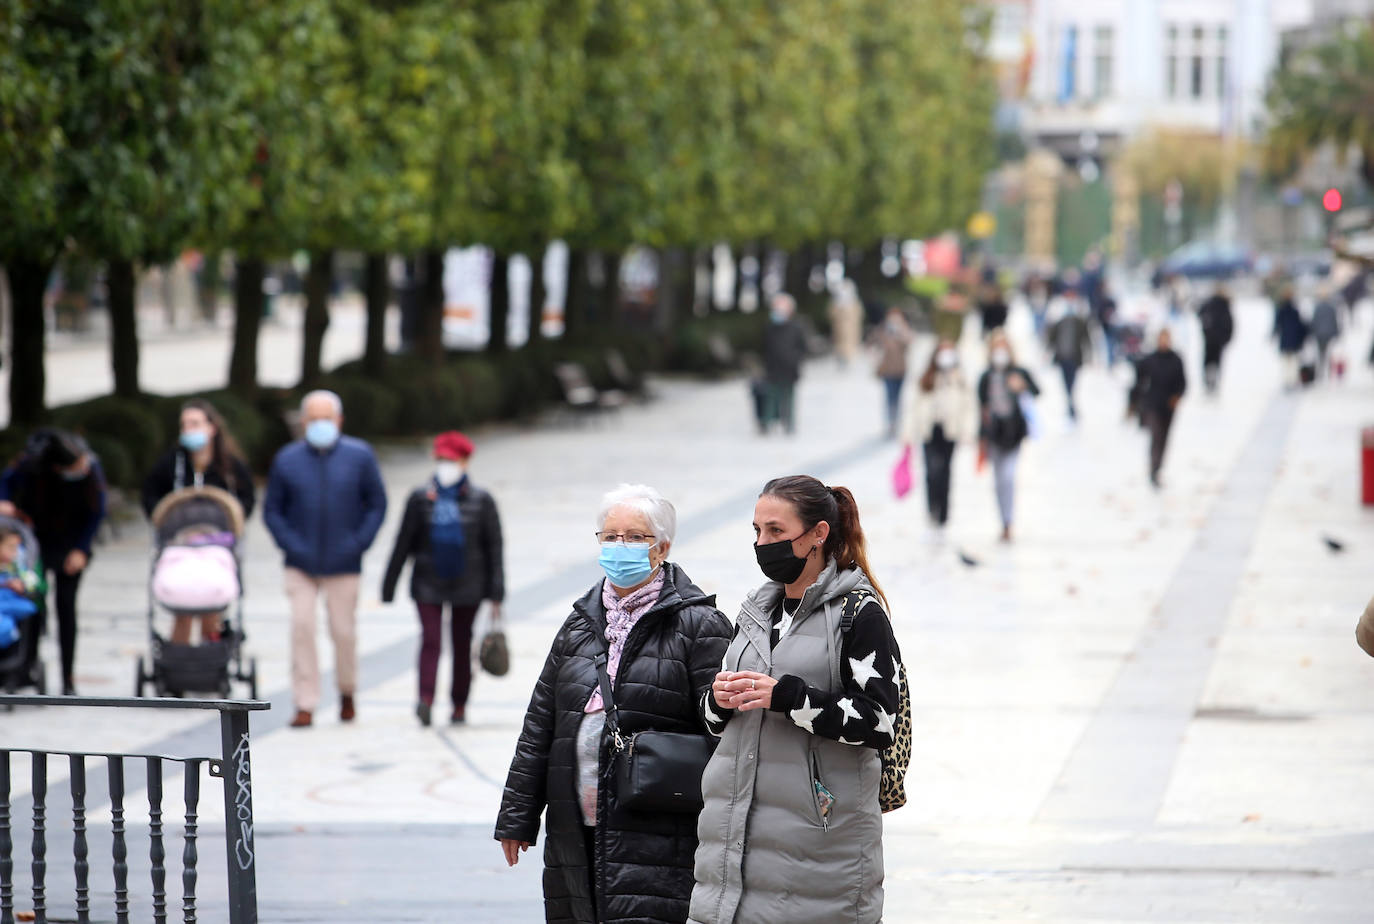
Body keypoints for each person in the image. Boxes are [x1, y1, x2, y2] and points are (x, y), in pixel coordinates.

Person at [495, 484, 731, 924]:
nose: (620, 546)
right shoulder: (580, 622)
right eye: (610, 536)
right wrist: (517, 817)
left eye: (635, 537)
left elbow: (724, 731)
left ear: (661, 548)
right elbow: (541, 722)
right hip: (574, 825)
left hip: (658, 830)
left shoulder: (700, 625)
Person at [688, 476, 901, 924]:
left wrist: (787, 696)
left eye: (776, 532)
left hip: (816, 852)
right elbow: (713, 722)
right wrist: (719, 700)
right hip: (733, 845)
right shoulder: (754, 613)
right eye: (757, 531)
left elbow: (880, 722)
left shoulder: (858, 614)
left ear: (818, 534)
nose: (763, 543)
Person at [263, 390, 387, 728]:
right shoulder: (287, 459)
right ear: (303, 423)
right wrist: (290, 545)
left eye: (326, 418)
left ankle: (347, 691)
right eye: (313, 419)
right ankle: (305, 702)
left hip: (344, 562)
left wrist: (358, 543)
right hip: (300, 564)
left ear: (339, 421)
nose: (320, 425)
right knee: (301, 628)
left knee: (343, 631)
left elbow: (377, 503)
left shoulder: (359, 456)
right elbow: (272, 510)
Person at [382, 431, 505, 727]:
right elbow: (403, 543)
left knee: (462, 644)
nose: (445, 465)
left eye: (451, 460)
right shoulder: (420, 498)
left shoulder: (482, 500)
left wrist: (496, 592)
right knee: (432, 640)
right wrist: (389, 585)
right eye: (440, 459)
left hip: (469, 583)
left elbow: (494, 547)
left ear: (465, 461)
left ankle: (459, 704)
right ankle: (425, 699)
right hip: (428, 582)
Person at [0, 428, 106, 695]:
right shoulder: (34, 466)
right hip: (36, 541)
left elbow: (97, 512)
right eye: (75, 465)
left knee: (66, 607)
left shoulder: (90, 468)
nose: (83, 466)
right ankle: (24, 667)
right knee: (33, 601)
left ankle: (68, 678)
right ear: (58, 468)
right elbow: (7, 481)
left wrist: (81, 550)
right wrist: (4, 503)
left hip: (72, 543)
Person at [142, 398, 257, 643]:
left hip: (216, 547)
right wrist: (162, 518)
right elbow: (150, 494)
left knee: (211, 607)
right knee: (182, 610)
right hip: (179, 546)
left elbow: (246, 498)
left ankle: (211, 663)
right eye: (185, 425)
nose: (189, 430)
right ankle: (179, 665)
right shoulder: (172, 463)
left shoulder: (228, 465)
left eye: (195, 423)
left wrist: (233, 521)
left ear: (212, 427)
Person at [902, 339, 975, 529]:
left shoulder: (959, 378)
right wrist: (907, 433)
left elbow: (968, 407)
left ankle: (943, 513)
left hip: (950, 431)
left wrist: (968, 431)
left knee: (945, 472)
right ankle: (931, 510)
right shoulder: (926, 377)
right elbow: (913, 406)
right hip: (929, 430)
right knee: (931, 472)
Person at [977, 331, 1039, 542]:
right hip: (994, 435)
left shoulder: (1018, 372)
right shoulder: (986, 376)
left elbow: (1037, 391)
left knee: (1009, 477)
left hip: (1014, 435)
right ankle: (1003, 520)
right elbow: (981, 408)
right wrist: (980, 439)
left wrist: (1022, 386)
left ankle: (1009, 521)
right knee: (998, 481)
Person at [1136, 328, 1187, 488]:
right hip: (1152, 405)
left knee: (1164, 438)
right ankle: (1153, 468)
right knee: (1156, 436)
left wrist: (1177, 397)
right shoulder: (1150, 359)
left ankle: (1158, 468)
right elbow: (1139, 380)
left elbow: (1183, 382)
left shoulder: (1176, 359)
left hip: (1169, 406)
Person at [760, 292, 807, 434]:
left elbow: (802, 348)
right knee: (770, 397)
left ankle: (789, 424)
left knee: (789, 398)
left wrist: (794, 360)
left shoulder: (796, 328)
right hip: (772, 368)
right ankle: (767, 423)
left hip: (790, 368)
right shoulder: (769, 327)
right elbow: (764, 347)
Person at [1045, 287, 1092, 420]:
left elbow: (1086, 337)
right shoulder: (1058, 317)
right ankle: (1070, 405)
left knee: (1072, 381)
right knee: (1066, 382)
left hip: (1075, 356)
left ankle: (1070, 405)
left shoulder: (1080, 318)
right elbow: (1051, 337)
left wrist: (1090, 355)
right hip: (1062, 356)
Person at [869, 306, 913, 438]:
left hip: (900, 370)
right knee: (889, 397)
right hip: (887, 370)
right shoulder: (882, 330)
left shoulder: (904, 329)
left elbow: (909, 342)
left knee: (898, 397)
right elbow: (872, 343)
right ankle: (890, 422)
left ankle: (897, 422)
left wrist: (900, 332)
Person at [1196, 285, 1234, 395]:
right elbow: (1229, 323)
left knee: (1209, 361)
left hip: (1212, 338)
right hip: (1216, 339)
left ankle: (1210, 383)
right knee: (1215, 361)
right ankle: (1212, 382)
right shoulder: (1221, 305)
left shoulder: (1215, 304)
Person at [1272, 284, 1307, 389]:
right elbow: (1301, 325)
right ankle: (1292, 379)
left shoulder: (1281, 309)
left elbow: (1277, 324)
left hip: (1285, 338)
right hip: (1294, 339)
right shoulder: (1295, 310)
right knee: (1293, 361)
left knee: (1286, 361)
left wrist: (1273, 334)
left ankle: (1287, 380)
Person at [828, 279, 863, 367]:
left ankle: (848, 360)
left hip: (851, 333)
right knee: (840, 348)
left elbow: (859, 316)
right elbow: (831, 315)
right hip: (839, 333)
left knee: (849, 348)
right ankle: (841, 360)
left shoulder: (855, 303)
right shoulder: (835, 304)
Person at [1310, 288, 1341, 380]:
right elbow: (1335, 321)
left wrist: (1312, 332)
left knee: (1321, 353)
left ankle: (1321, 371)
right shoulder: (1331, 307)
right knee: (1328, 353)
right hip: (1329, 334)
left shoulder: (1317, 307)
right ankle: (1328, 371)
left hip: (1319, 334)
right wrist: (1336, 333)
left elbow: (1314, 322)